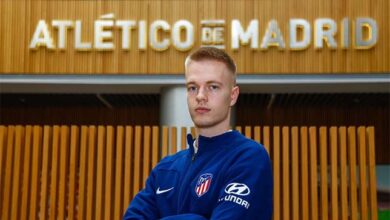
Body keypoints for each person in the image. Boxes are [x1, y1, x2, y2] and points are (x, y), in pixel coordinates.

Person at [123, 47, 273, 219]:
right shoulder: (165, 169)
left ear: (233, 95)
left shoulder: (248, 157)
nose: (200, 96)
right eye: (193, 87)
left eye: (213, 87)